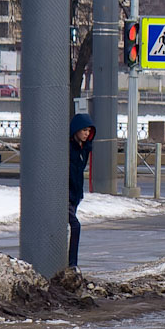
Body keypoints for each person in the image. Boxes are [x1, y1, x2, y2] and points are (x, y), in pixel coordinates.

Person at [68, 113, 95, 268]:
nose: (86, 134)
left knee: (70, 228)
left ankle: (70, 263)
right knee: (75, 226)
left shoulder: (84, 150)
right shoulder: (68, 148)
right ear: (76, 130)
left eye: (88, 131)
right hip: (65, 194)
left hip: (75, 194)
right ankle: (72, 264)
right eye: (84, 130)